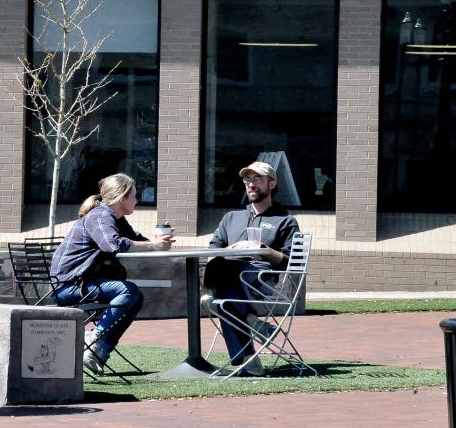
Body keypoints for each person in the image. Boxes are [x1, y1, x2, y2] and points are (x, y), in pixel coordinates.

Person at [50, 173, 175, 373]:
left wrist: (157, 242)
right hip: (67, 285)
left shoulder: (117, 219)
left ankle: (98, 351)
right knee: (127, 291)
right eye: (134, 195)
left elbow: (134, 240)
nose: (137, 199)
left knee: (136, 297)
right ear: (122, 197)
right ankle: (95, 340)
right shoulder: (99, 216)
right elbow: (111, 244)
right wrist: (153, 246)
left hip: (83, 282)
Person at [203, 160, 300, 376]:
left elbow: (289, 261)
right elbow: (213, 249)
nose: (251, 184)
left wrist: (262, 248)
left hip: (261, 279)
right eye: (248, 180)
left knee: (222, 296)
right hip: (232, 275)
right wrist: (232, 249)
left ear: (271, 184)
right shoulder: (231, 218)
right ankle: (252, 330)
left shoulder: (285, 220)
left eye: (257, 179)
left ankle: (246, 355)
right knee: (226, 291)